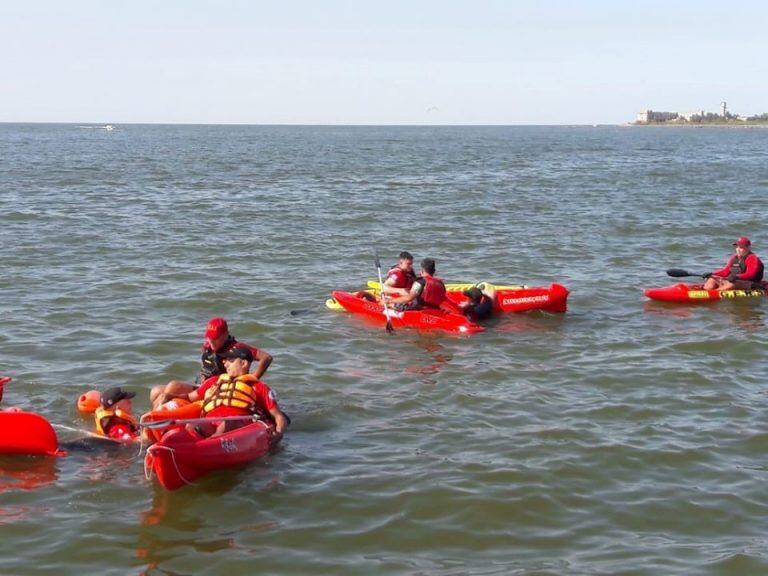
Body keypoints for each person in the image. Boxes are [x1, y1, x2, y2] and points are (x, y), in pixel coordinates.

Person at [150, 317, 272, 409]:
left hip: (217, 389)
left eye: (215, 338)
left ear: (225, 335)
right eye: (209, 337)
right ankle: (151, 421)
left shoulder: (236, 348)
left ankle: (157, 419)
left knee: (173, 386)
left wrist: (252, 379)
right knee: (155, 391)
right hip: (202, 386)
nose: (211, 341)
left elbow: (266, 358)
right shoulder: (208, 346)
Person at [184, 344, 287, 442]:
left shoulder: (258, 387)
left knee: (227, 424)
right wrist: (170, 395)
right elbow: (190, 397)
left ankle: (210, 445)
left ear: (243, 364)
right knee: (192, 425)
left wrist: (278, 433)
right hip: (211, 420)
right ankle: (184, 447)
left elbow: (279, 416)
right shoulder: (215, 381)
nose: (225, 363)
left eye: (231, 360)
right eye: (225, 360)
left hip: (237, 423)